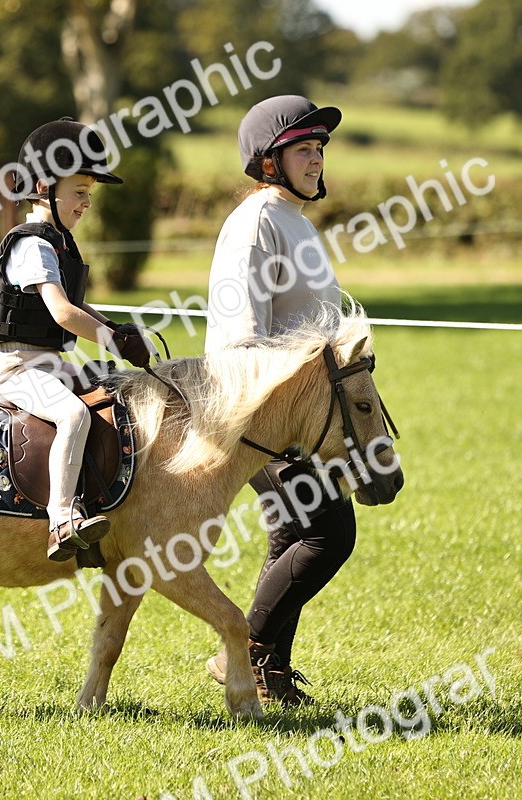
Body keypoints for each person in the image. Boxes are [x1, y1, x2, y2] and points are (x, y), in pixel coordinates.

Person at [203, 95, 352, 707]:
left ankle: (268, 676)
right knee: (327, 532)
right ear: (269, 161)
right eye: (304, 150)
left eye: (319, 149)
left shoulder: (293, 216)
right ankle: (239, 653)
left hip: (304, 410)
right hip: (262, 410)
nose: (316, 161)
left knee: (293, 531)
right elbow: (242, 334)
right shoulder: (256, 222)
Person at [0, 118, 152, 562]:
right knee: (74, 416)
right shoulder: (32, 245)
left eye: (89, 193)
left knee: (115, 393)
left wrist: (120, 330)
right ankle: (61, 520)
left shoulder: (61, 243)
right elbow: (62, 312)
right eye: (79, 192)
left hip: (47, 360)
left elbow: (80, 306)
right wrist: (112, 340)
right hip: (16, 365)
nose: (87, 203)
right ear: (43, 186)